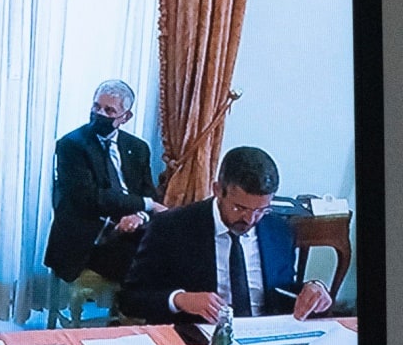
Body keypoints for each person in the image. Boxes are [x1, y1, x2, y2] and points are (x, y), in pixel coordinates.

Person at [119, 146, 333, 324]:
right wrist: (181, 299)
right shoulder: (172, 227)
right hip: (199, 341)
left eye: (260, 210)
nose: (250, 220)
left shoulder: (278, 230)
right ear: (217, 190)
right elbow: (130, 299)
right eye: (240, 208)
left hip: (262, 338)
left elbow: (281, 291)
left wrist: (313, 289)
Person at [43, 80, 163, 285]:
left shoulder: (138, 148)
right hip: (89, 236)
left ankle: (149, 314)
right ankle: (131, 315)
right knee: (141, 265)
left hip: (132, 231)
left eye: (109, 110)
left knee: (171, 254)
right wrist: (146, 205)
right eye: (96, 107)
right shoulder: (72, 145)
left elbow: (148, 192)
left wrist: (138, 216)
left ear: (125, 117)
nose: (101, 114)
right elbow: (90, 198)